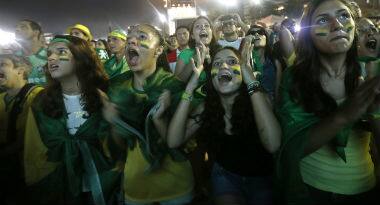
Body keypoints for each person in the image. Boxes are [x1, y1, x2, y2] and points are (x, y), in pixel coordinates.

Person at [276, 0, 380, 205]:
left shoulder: (372, 71)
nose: (337, 25)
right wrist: (344, 115)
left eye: (344, 16)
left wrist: (375, 113)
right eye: (323, 19)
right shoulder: (295, 77)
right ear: (308, 34)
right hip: (312, 192)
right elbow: (293, 146)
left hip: (365, 189)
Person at [167, 43, 281, 205]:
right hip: (225, 175)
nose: (223, 66)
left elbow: (273, 144)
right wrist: (190, 88)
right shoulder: (207, 106)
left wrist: (251, 81)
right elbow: (173, 140)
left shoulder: (259, 100)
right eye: (217, 64)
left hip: (262, 178)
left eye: (232, 62)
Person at [103, 24, 193, 205]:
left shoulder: (173, 87)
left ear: (159, 50)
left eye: (142, 37)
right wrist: (113, 123)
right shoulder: (115, 89)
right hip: (136, 188)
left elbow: (179, 143)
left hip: (176, 186)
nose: (131, 42)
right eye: (128, 40)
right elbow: (119, 148)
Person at [25, 35, 119, 205]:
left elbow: (120, 149)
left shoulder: (107, 95)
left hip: (105, 186)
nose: (51, 58)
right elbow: (34, 152)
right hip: (61, 190)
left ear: (80, 57)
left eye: (61, 52)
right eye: (49, 54)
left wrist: (113, 122)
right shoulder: (40, 102)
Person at [0, 51, 43, 204]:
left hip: (28, 171)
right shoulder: (1, 97)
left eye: (3, 64)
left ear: (20, 70)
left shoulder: (38, 96)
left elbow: (28, 138)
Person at [175, 16, 217, 83]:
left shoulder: (220, 52)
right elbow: (176, 83)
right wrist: (195, 58)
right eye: (197, 26)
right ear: (192, 36)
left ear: (211, 33)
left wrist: (209, 61)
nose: (203, 27)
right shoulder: (185, 54)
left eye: (206, 25)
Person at [246, 25, 282, 101]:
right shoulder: (245, 62)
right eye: (252, 33)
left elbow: (278, 92)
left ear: (266, 37)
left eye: (260, 32)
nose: (256, 34)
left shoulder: (274, 62)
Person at [14, 20, 47, 85]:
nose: (17, 29)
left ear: (36, 32)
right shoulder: (13, 58)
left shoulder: (50, 55)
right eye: (16, 27)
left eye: (23, 27)